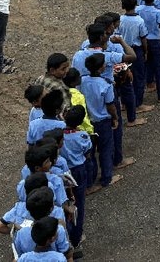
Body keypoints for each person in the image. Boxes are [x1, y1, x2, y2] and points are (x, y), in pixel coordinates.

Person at [81, 52, 121, 193]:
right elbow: (110, 105)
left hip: (88, 123)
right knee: (105, 150)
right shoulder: (106, 85)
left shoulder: (83, 81)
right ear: (100, 69)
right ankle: (106, 178)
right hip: (103, 121)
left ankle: (90, 181)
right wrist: (115, 117)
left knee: (90, 152)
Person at [60, 106, 92, 248]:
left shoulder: (59, 134)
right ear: (79, 122)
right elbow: (87, 152)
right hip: (78, 170)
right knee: (78, 204)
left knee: (65, 201)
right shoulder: (82, 136)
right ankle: (76, 237)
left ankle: (66, 233)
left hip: (63, 171)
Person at [117, 0, 148, 127]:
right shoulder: (139, 21)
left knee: (124, 77)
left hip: (124, 51)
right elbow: (143, 38)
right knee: (139, 77)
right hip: (136, 50)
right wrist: (146, 51)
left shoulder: (120, 19)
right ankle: (138, 103)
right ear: (135, 4)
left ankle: (124, 103)